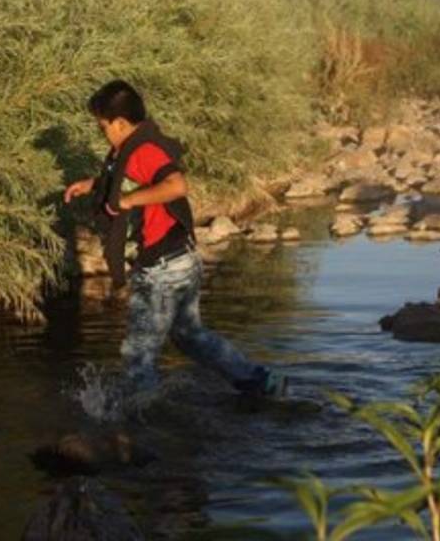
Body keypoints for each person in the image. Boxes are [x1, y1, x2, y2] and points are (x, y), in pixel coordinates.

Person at [64, 80, 286, 398]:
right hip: (183, 259)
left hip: (162, 270)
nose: (102, 133)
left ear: (120, 123)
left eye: (102, 126)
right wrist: (92, 184)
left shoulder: (143, 151)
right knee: (188, 336)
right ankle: (258, 381)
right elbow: (124, 179)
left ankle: (140, 419)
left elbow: (176, 185)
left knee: (138, 353)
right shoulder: (134, 147)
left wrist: (127, 201)